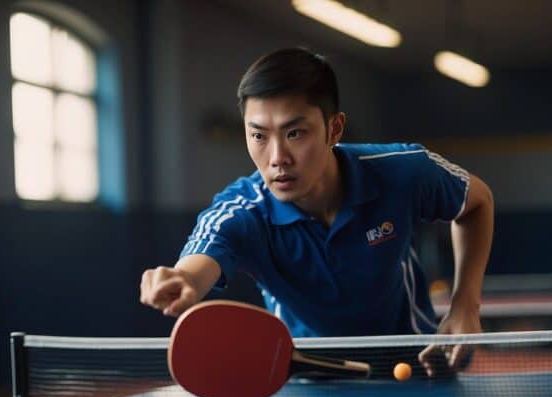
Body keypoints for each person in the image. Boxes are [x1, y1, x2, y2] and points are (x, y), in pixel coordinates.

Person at [140, 47, 494, 375]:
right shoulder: (242, 213)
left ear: (334, 128)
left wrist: (465, 305)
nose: (277, 157)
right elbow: (198, 261)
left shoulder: (402, 172)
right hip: (308, 375)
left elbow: (478, 202)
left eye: (295, 133)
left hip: (414, 364)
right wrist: (182, 279)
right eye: (259, 136)